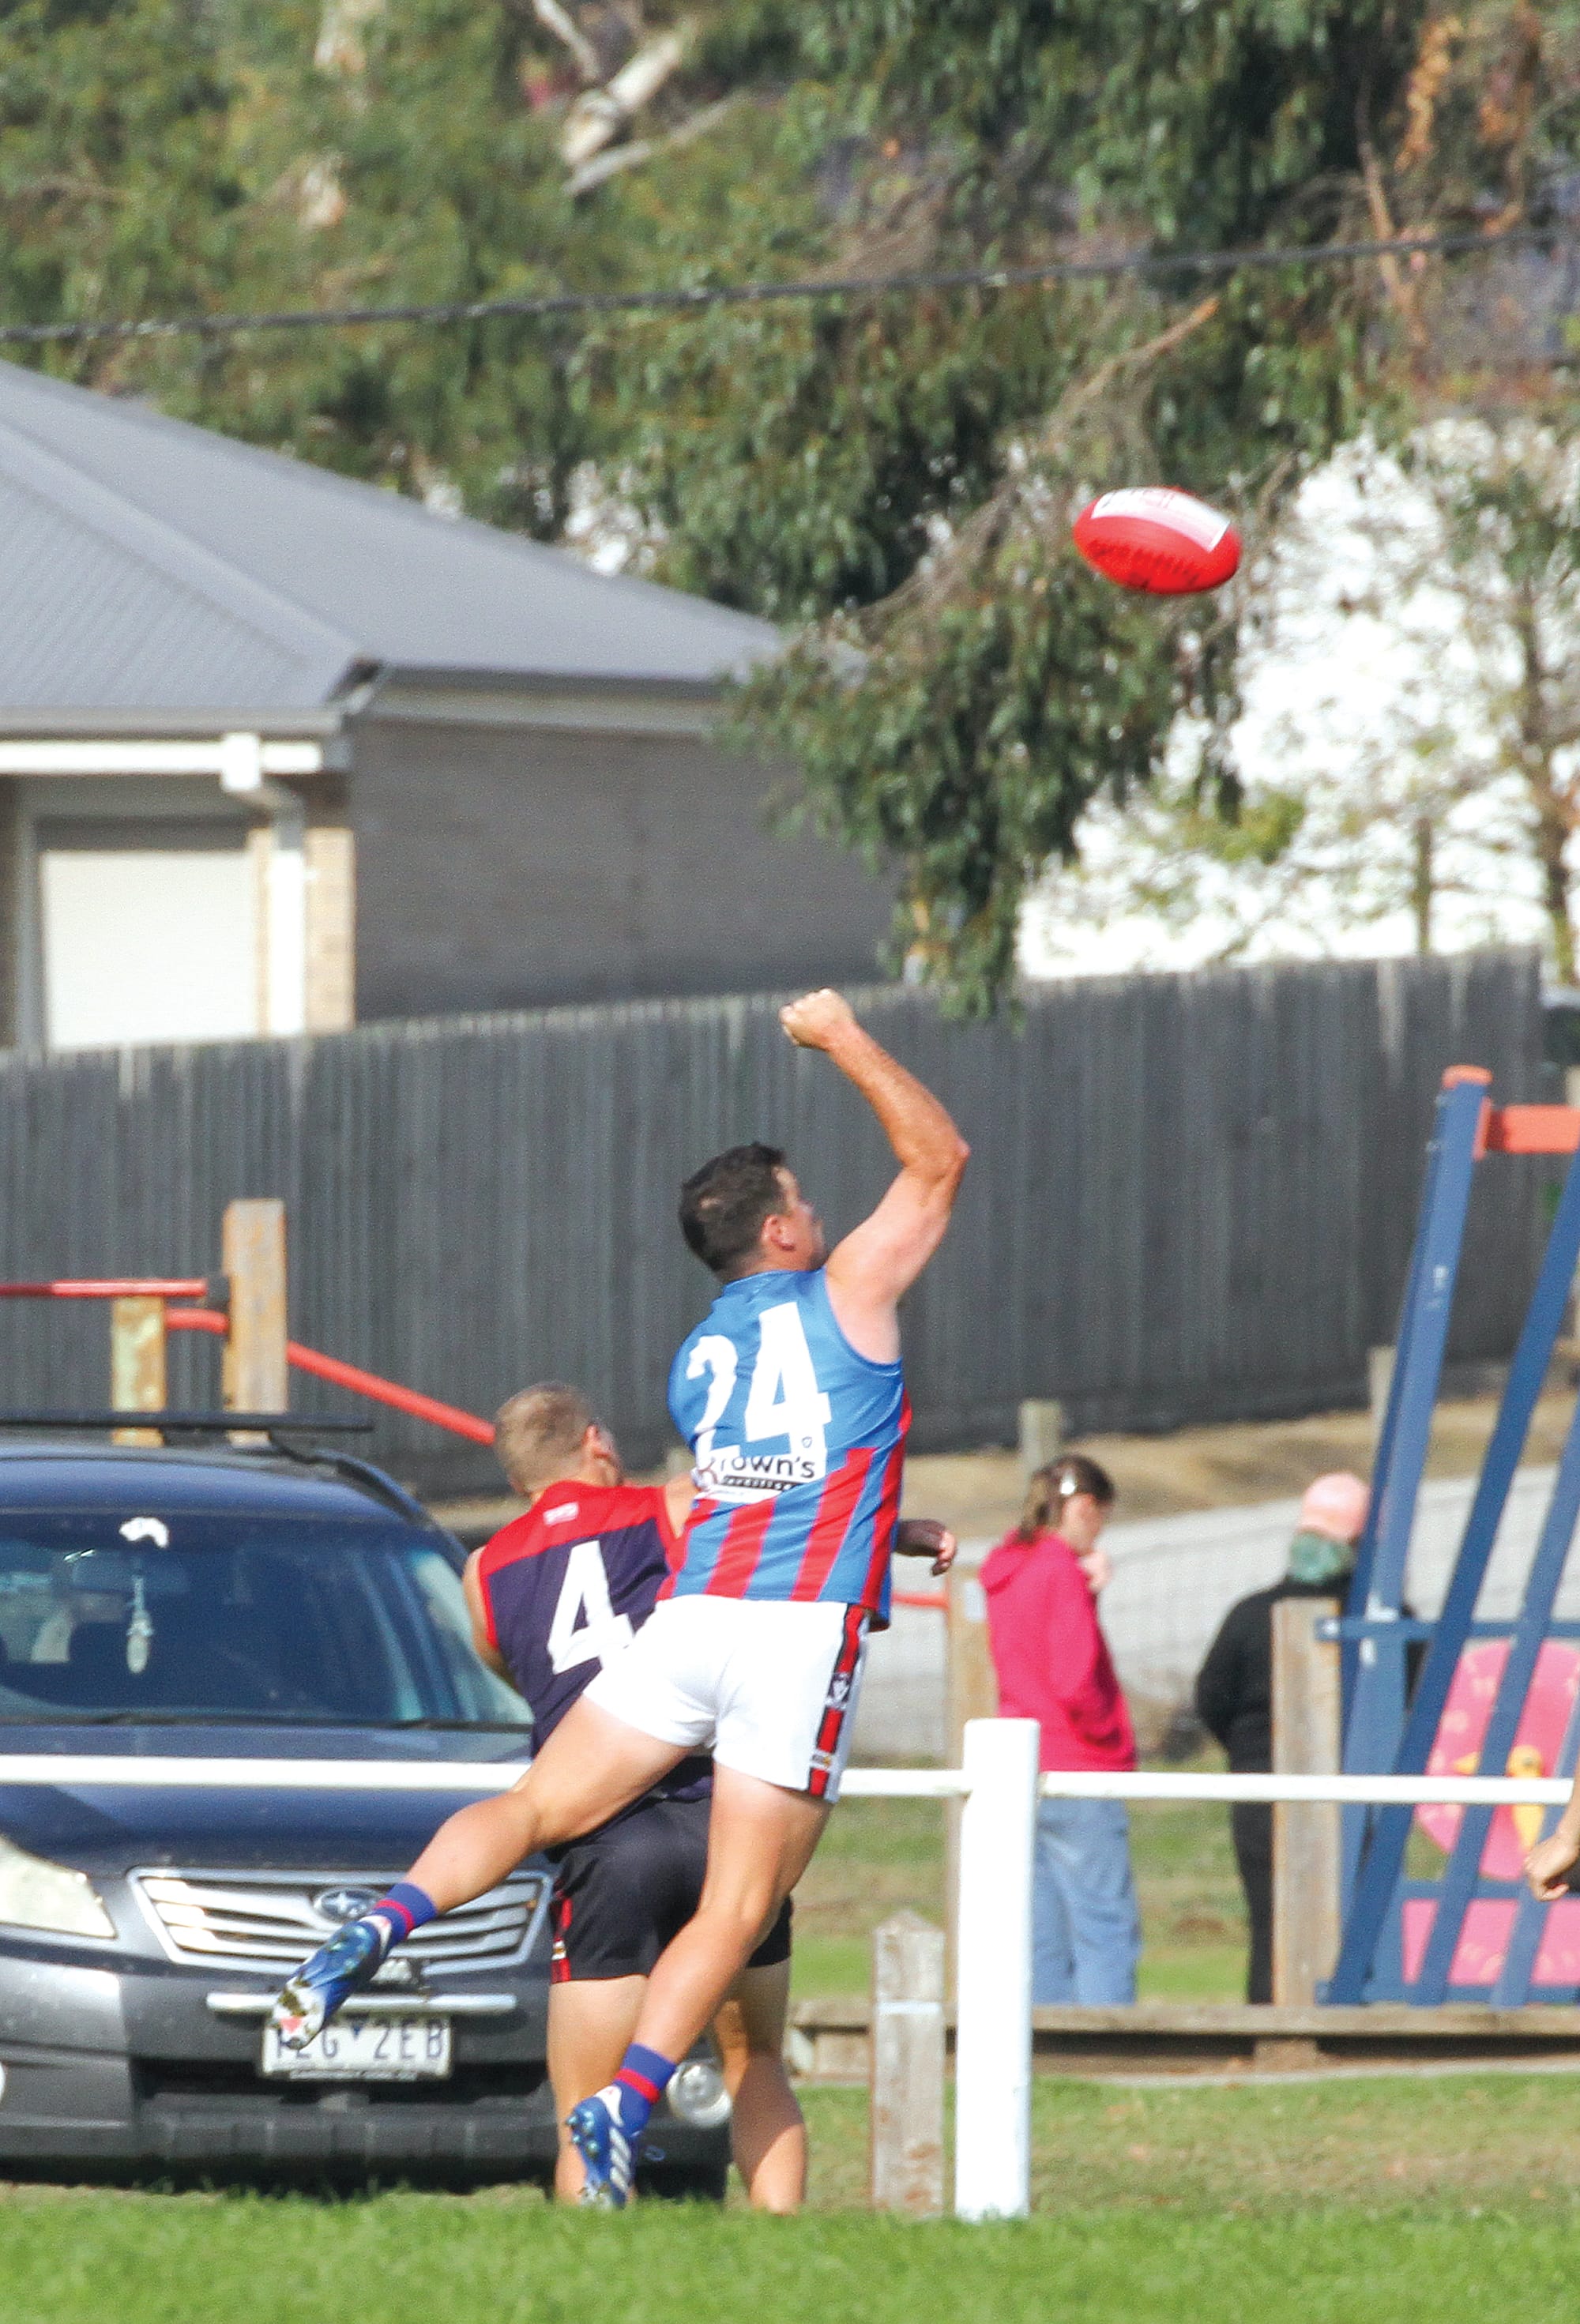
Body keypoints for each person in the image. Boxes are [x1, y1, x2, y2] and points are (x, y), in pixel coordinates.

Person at [269, 986, 969, 2206]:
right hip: (796, 1638)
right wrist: (844, 1037)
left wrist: (885, 1525)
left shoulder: (699, 1358)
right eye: (806, 1196)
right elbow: (939, 1156)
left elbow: (746, 1488)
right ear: (789, 1233)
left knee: (537, 1803)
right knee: (743, 1900)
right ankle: (628, 2103)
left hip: (691, 1622)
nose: (821, 1209)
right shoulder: (850, 1290)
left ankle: (373, 1929)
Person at [463, 1381, 800, 2206]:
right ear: (598, 1443)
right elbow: (792, 1505)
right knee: (754, 2055)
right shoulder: (671, 1505)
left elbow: (520, 1672)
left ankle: (592, 2262)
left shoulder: (481, 1571)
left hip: (605, 1842)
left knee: (584, 2098)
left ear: (516, 1478)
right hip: (718, 1819)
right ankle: (784, 2242)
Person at [1193, 1470, 1370, 2003]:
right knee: (1351, 1907)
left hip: (1258, 1786)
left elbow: (1212, 1699)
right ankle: (1340, 2018)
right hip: (1350, 1788)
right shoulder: (1375, 1621)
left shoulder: (1250, 1615)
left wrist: (1250, 1754)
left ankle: (1268, 2020)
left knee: (1270, 1915)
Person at [981, 1455, 1141, 2005]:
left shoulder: (1007, 1567)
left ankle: (1047, 2043)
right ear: (1084, 1508)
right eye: (1100, 1517)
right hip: (1079, 1764)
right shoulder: (1059, 1572)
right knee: (1104, 1924)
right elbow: (1074, 1679)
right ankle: (1110, 2048)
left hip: (1021, 1763)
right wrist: (1110, 1738)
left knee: (1041, 1927)